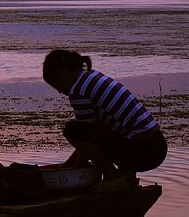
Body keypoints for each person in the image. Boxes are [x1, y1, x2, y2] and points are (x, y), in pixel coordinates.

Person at [42, 49, 167, 191]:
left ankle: (111, 175)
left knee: (72, 129)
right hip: (156, 146)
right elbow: (92, 136)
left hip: (143, 151)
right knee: (89, 130)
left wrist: (74, 172)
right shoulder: (90, 76)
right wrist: (66, 166)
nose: (59, 91)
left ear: (62, 74)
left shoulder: (78, 90)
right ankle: (125, 176)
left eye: (57, 86)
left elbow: (85, 138)